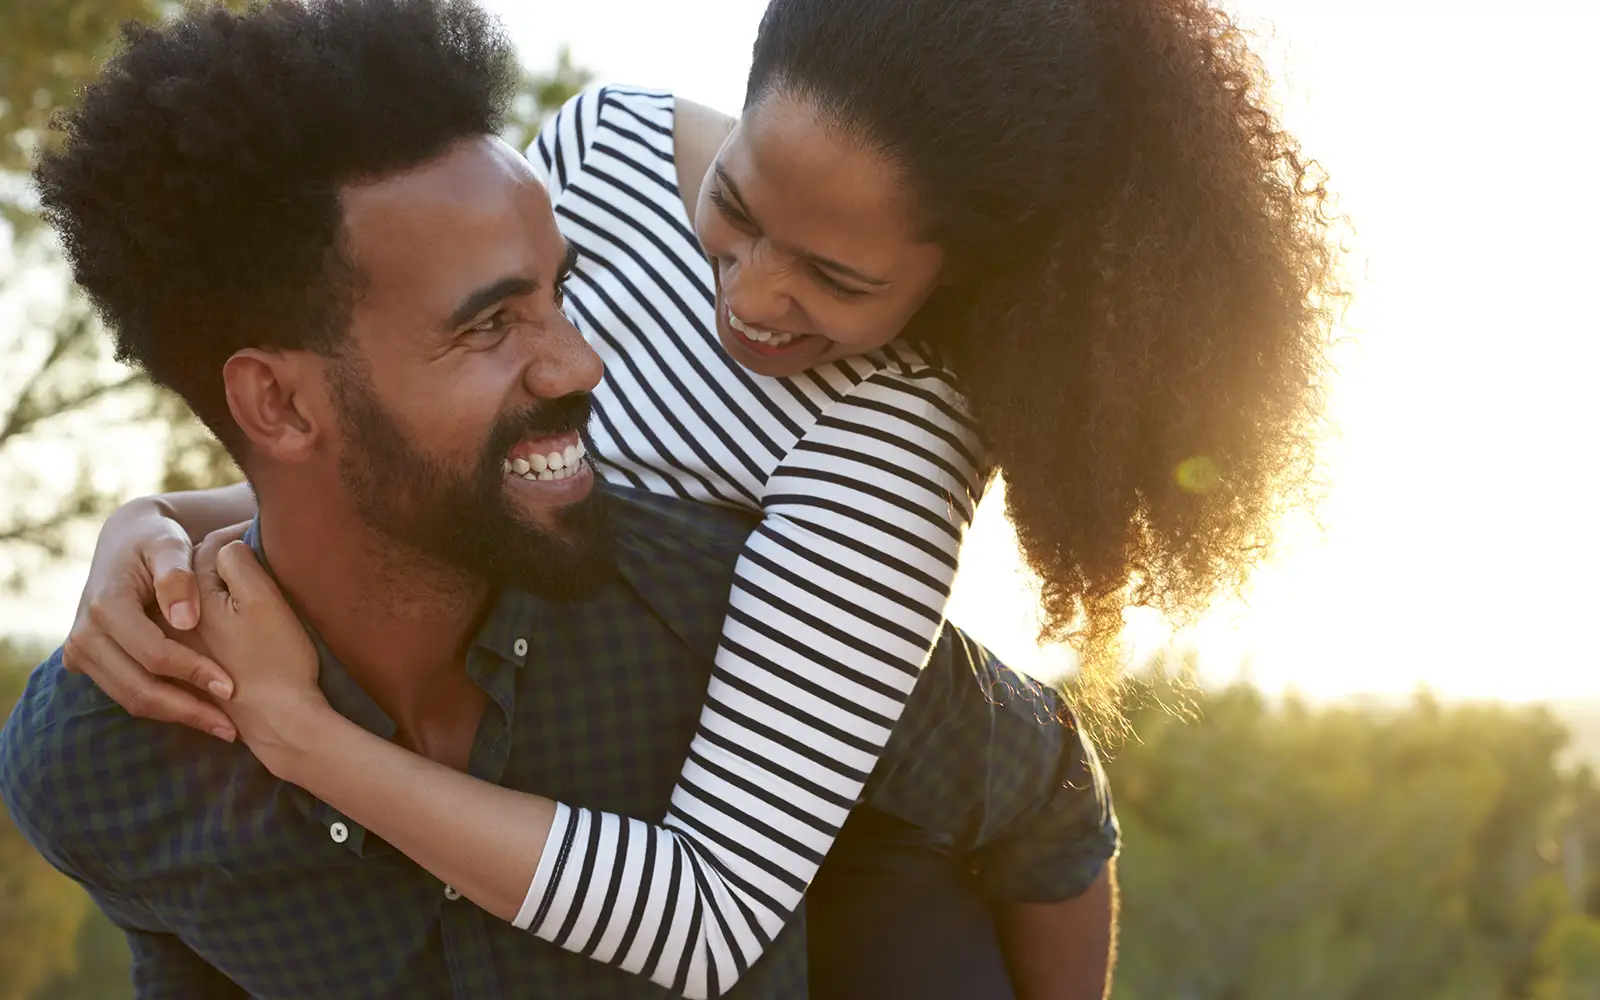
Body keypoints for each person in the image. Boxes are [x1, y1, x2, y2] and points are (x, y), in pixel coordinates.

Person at [55, 0, 1337, 992]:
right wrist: (169, 529)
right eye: (735, 204)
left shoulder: (897, 428)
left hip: (809, 845)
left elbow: (714, 905)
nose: (754, 295)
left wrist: (302, 737)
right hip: (563, 706)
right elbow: (441, 436)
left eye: (835, 277)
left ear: (949, 279)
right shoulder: (609, 149)